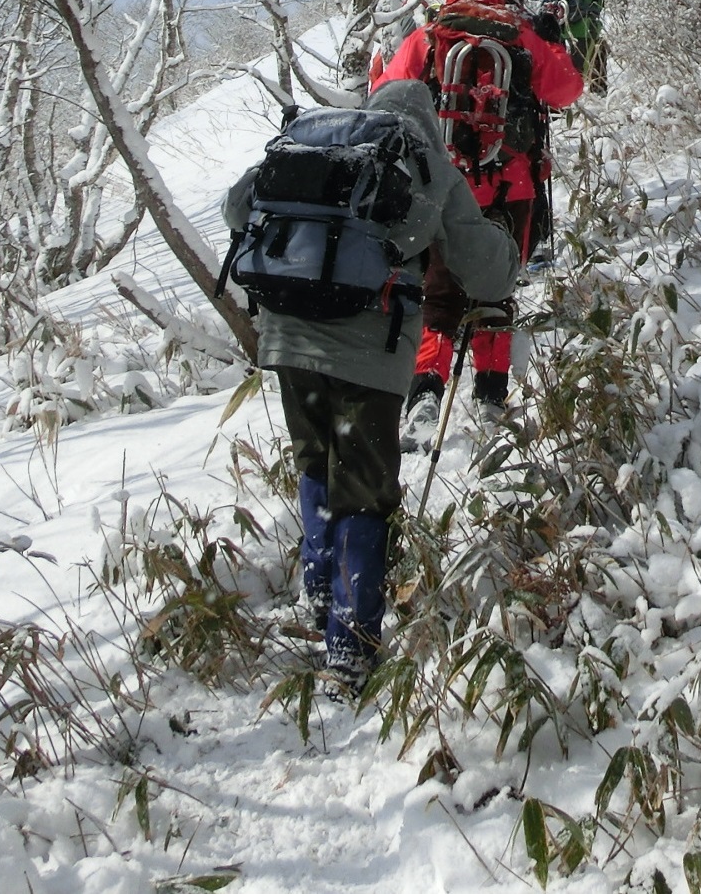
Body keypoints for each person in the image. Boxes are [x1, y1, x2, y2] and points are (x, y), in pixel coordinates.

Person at [221, 80, 516, 694]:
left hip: (285, 335)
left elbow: (234, 208)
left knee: (316, 460)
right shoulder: (425, 162)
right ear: (427, 121)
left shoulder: (316, 144)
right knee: (364, 485)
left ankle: (321, 585)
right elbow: (485, 269)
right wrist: (509, 246)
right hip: (367, 348)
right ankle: (350, 644)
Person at [372, 0, 582, 429]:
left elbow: (384, 97)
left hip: (442, 187)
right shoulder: (519, 35)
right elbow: (567, 89)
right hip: (512, 186)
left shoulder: (428, 36)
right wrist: (551, 42)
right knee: (497, 288)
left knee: (438, 293)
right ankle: (491, 396)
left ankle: (426, 392)